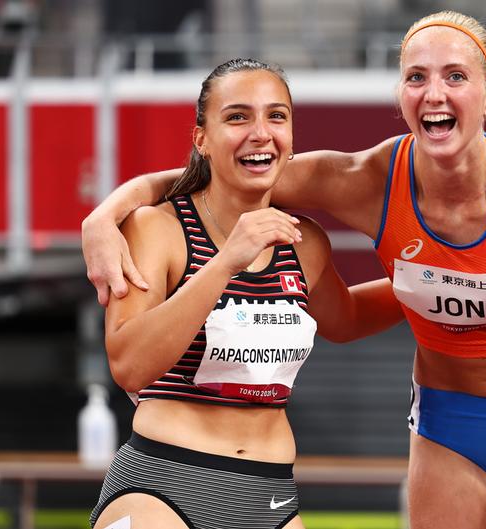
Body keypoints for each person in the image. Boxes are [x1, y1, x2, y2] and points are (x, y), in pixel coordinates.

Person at [82, 12, 486, 529]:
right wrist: (104, 216)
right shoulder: (363, 180)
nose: (434, 92)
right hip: (448, 424)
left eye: (456, 76)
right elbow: (215, 178)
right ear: (400, 94)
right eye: (416, 77)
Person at [88, 58, 403, 529]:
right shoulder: (156, 228)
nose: (260, 132)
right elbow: (129, 364)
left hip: (269, 491)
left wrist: (435, 279)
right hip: (165, 484)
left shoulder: (305, 242)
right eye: (238, 117)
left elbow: (348, 318)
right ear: (202, 139)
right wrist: (226, 261)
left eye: (276, 116)